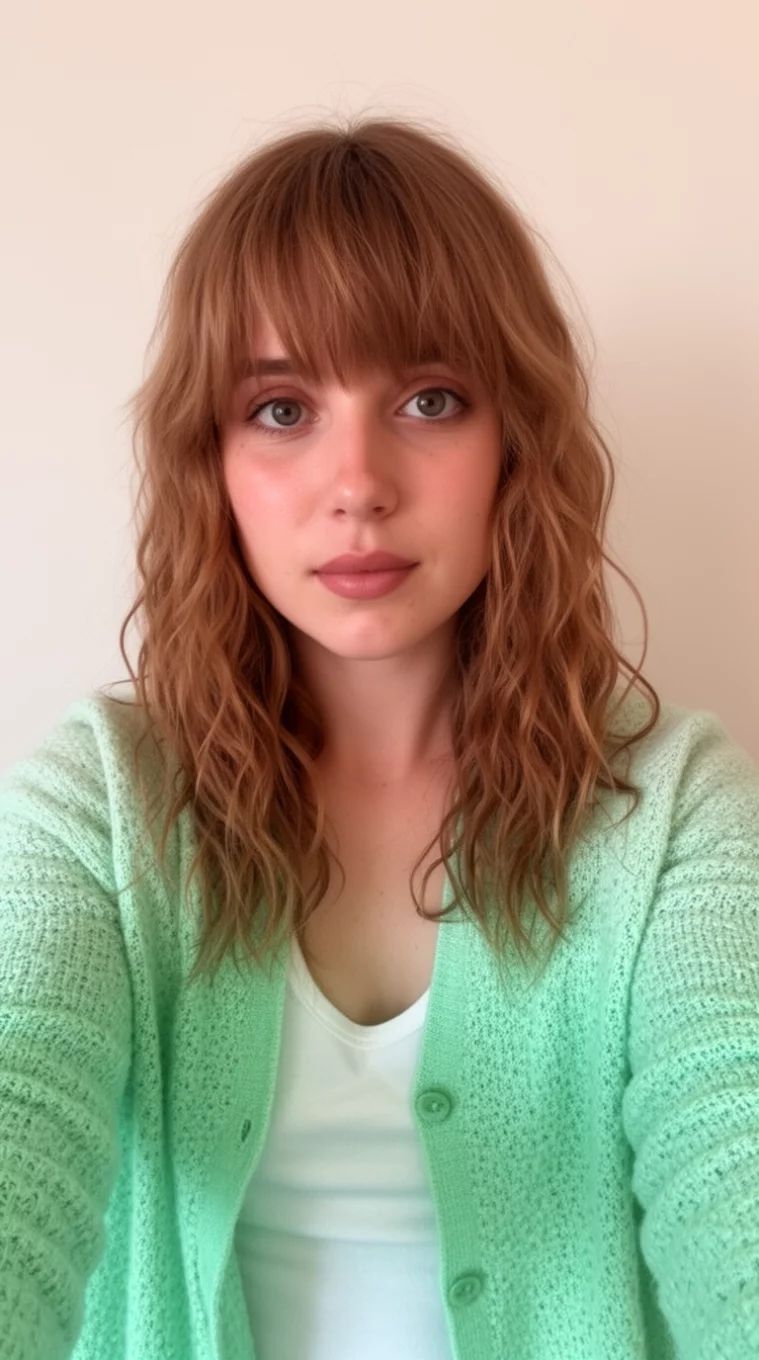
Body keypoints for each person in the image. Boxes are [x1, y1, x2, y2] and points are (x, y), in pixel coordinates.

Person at [0, 115, 757, 1360]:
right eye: (283, 407)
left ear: (517, 441)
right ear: (213, 461)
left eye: (429, 397)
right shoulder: (102, 807)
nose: (358, 480)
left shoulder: (666, 811)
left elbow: (736, 1154)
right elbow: (22, 1113)